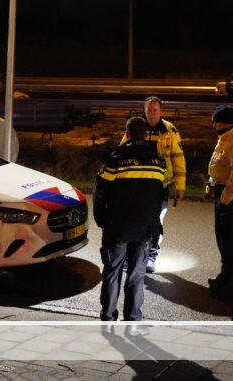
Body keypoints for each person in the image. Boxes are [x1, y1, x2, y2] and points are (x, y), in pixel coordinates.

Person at [94, 116, 166, 326]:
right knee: (137, 274)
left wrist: (101, 220)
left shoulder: (116, 159)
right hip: (145, 228)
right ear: (146, 134)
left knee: (112, 271)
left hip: (118, 226)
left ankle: (107, 317)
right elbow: (160, 194)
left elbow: (100, 191)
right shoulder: (159, 161)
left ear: (127, 134)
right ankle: (133, 319)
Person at [120, 96, 186, 273]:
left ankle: (151, 256)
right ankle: (129, 256)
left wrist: (180, 185)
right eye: (149, 110)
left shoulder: (170, 130)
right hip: (136, 183)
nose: (151, 114)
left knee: (155, 221)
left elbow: (178, 159)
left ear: (161, 111)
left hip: (159, 185)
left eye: (155, 110)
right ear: (144, 110)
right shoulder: (136, 127)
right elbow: (122, 152)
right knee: (133, 219)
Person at [204, 105, 233, 295]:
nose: (214, 125)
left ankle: (230, 278)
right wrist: (210, 187)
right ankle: (226, 274)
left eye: (216, 121)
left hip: (229, 195)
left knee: (228, 237)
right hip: (222, 192)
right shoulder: (226, 138)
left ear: (225, 122)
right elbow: (218, 167)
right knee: (222, 235)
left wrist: (224, 200)